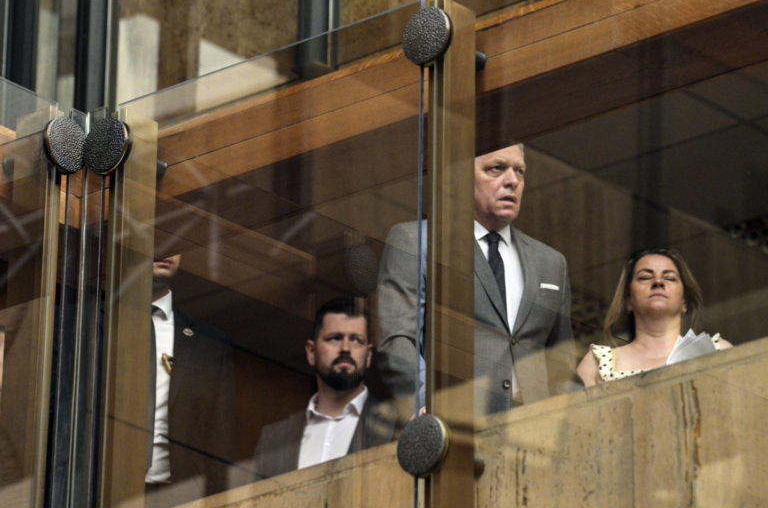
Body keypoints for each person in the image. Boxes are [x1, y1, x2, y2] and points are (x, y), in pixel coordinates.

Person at [376, 144, 579, 416]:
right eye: (497, 168)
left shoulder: (551, 263)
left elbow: (561, 360)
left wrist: (572, 417)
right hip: (455, 421)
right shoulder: (417, 241)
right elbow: (398, 339)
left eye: (519, 171)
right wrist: (430, 405)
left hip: (535, 426)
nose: (512, 180)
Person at [252, 297, 396, 480]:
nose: (345, 348)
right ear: (311, 352)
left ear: (368, 356)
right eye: (335, 338)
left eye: (356, 340)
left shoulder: (394, 425)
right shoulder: (275, 439)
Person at [145, 254, 237, 505]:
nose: (167, 251)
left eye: (176, 243)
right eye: (158, 239)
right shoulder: (93, 320)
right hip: (104, 488)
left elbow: (222, 440)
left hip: (180, 495)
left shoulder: (209, 343)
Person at [576, 247, 733, 387]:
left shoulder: (716, 352)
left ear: (684, 302)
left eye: (670, 278)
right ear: (628, 301)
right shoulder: (597, 363)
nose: (658, 281)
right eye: (645, 277)